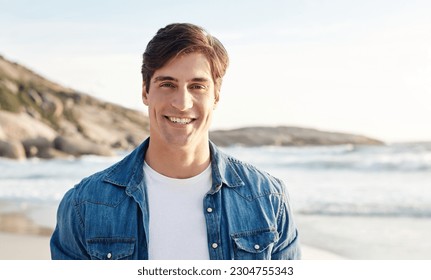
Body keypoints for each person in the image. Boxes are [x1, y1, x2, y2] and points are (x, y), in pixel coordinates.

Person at [50, 23, 301, 260]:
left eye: (197, 86)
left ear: (216, 95)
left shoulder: (267, 199)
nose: (182, 103)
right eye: (168, 84)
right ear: (145, 91)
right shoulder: (85, 205)